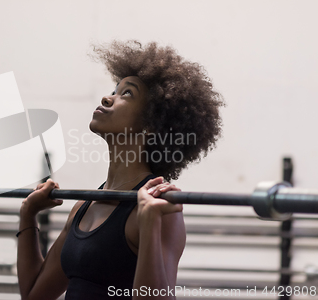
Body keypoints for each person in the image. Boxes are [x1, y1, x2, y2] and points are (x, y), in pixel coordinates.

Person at [16, 41, 224, 300]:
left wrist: (149, 225)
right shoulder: (85, 205)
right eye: (115, 90)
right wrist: (28, 214)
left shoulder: (159, 209)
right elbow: (34, 295)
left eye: (126, 94)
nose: (107, 97)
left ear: (151, 124)